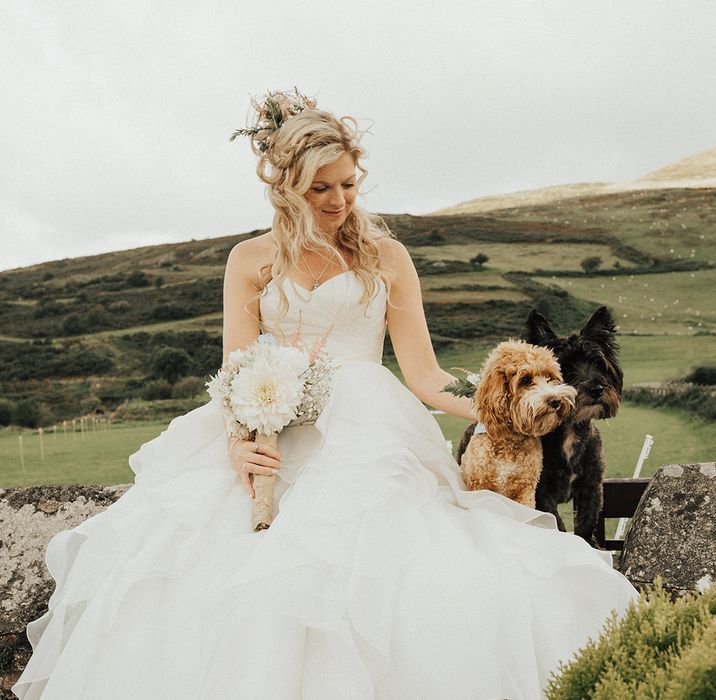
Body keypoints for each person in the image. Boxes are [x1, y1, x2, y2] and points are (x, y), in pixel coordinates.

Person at [13, 90, 638, 700]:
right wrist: (237, 446)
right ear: (286, 187)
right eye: (321, 188)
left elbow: (423, 375)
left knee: (408, 569)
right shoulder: (248, 260)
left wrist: (506, 406)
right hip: (270, 428)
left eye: (348, 183)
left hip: (368, 429)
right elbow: (236, 368)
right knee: (200, 571)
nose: (339, 200)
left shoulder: (387, 257)